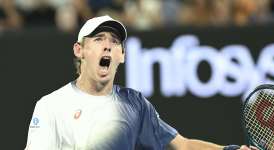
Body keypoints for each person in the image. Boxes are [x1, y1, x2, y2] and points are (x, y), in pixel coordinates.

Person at [25, 15, 257, 150]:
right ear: (80, 50)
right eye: (98, 39)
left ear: (122, 55)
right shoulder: (50, 106)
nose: (107, 45)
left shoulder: (134, 104)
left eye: (114, 42)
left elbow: (182, 146)